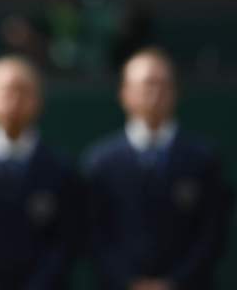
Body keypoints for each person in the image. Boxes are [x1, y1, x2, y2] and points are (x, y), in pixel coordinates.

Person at [83, 48, 233, 290]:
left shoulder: (204, 159)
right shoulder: (100, 161)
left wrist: (174, 283)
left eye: (163, 84)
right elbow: (94, 235)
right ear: (125, 93)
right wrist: (128, 282)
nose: (155, 92)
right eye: (146, 84)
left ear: (175, 93)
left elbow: (212, 234)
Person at [0, 56, 82, 290]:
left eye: (23, 91)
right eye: (6, 91)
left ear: (38, 100)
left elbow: (66, 245)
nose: (14, 99)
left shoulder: (61, 170)